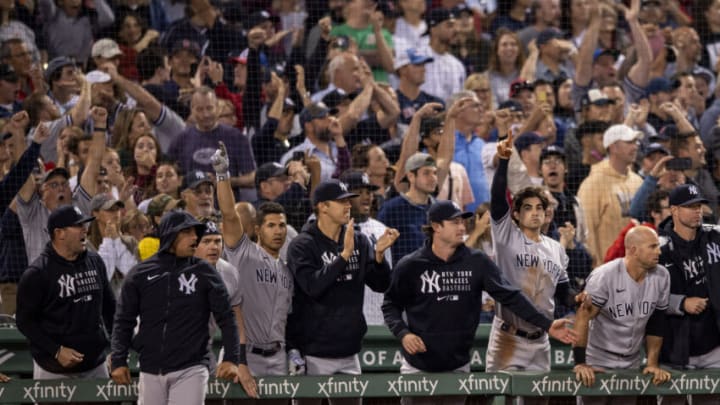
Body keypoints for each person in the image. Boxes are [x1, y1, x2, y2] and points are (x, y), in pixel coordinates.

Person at [383, 200, 576, 405]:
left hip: (457, 366)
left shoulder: (477, 262)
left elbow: (511, 296)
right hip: (417, 368)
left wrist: (547, 324)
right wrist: (403, 334)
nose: (462, 227)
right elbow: (390, 305)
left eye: (463, 221)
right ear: (436, 227)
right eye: (455, 222)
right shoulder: (410, 265)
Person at [110, 210, 246, 403]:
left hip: (191, 367)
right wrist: (118, 360)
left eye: (195, 233)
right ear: (170, 235)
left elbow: (227, 318)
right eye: (187, 232)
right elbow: (123, 321)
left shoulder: (204, 272)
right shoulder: (140, 274)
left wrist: (232, 358)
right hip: (150, 368)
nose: (194, 238)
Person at [287, 179, 399, 405]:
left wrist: (378, 257)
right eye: (341, 202)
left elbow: (380, 285)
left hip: (348, 352)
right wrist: (344, 256)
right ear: (322, 207)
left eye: (349, 201)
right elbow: (313, 287)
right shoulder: (302, 245)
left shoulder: (359, 240)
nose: (348, 206)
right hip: (313, 353)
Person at [486, 131, 573, 405]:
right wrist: (503, 161)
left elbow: (563, 293)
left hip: (541, 340)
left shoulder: (556, 248)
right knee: (502, 401)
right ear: (517, 214)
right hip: (508, 337)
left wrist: (580, 299)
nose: (535, 212)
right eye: (527, 208)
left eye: (540, 207)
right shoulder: (506, 236)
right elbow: (498, 199)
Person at [212, 142, 291, 402]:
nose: (278, 231)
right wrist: (222, 175)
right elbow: (229, 215)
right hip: (246, 357)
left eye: (282, 226)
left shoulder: (286, 270)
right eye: (271, 225)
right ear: (258, 230)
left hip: (279, 358)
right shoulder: (244, 255)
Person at [572, 226, 671, 405]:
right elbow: (583, 317)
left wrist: (652, 363)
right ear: (633, 250)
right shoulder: (605, 275)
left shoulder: (662, 276)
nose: (659, 251)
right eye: (653, 246)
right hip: (597, 361)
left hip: (631, 363)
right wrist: (580, 362)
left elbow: (657, 323)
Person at [16, 205, 116, 379]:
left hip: (95, 364)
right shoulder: (37, 273)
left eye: (84, 225)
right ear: (60, 233)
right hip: (53, 369)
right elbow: (25, 322)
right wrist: (56, 351)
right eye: (78, 226)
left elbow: (110, 308)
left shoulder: (95, 261)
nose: (85, 229)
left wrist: (117, 348)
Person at [657, 184, 720, 405]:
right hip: (674, 348)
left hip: (713, 346)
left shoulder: (715, 237)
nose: (698, 211)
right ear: (673, 210)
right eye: (690, 207)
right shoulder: (657, 248)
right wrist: (681, 303)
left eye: (699, 206)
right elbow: (644, 296)